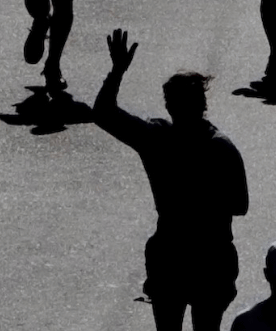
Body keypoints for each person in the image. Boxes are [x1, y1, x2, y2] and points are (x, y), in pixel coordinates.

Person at [95, 30, 249, 331]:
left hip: (169, 257)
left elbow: (103, 113)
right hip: (212, 259)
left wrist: (116, 71)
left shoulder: (156, 138)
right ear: (203, 105)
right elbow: (241, 206)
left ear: (169, 107)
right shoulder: (222, 147)